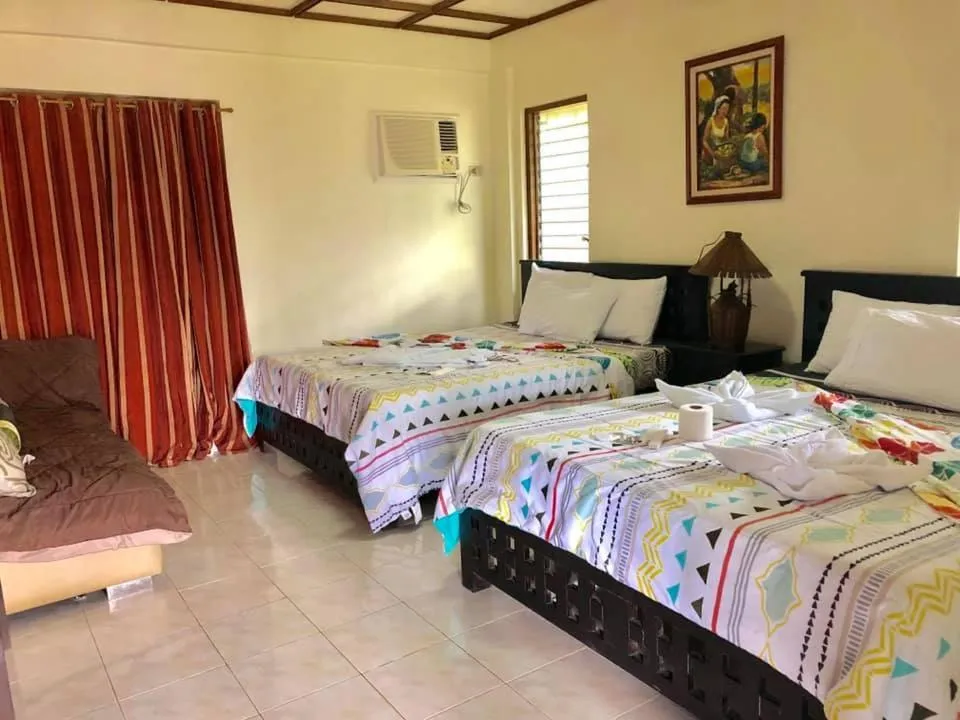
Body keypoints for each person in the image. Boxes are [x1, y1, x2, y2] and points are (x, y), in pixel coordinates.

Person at [700, 95, 731, 167]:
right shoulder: (711, 121)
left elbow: (727, 140)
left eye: (727, 109)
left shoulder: (726, 121)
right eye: (723, 108)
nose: (725, 111)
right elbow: (704, 141)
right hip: (709, 152)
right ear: (718, 109)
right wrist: (712, 154)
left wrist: (727, 151)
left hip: (720, 152)